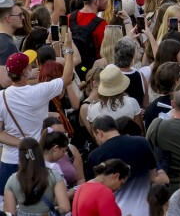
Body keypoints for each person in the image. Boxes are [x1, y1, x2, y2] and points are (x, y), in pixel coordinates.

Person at [0, 39, 74, 195]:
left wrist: (21, 143)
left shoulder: (1, 96)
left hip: (10, 159)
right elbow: (67, 78)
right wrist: (68, 50)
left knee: (8, 205)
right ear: (26, 71)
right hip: (34, 159)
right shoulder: (39, 92)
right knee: (37, 205)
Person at [87, 115, 157, 216]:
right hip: (146, 210)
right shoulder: (142, 142)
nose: (96, 142)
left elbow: (94, 191)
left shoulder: (95, 155)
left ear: (99, 133)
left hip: (115, 212)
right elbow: (152, 177)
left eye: (95, 137)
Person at [4, 137, 70, 215]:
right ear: (39, 153)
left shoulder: (12, 180)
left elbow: (10, 213)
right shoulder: (54, 175)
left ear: (20, 156)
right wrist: (54, 210)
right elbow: (65, 208)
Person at [68, 0, 108, 80]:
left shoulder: (69, 18)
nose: (107, 0)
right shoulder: (101, 24)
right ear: (96, 2)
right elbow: (105, 54)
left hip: (71, 72)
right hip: (93, 77)